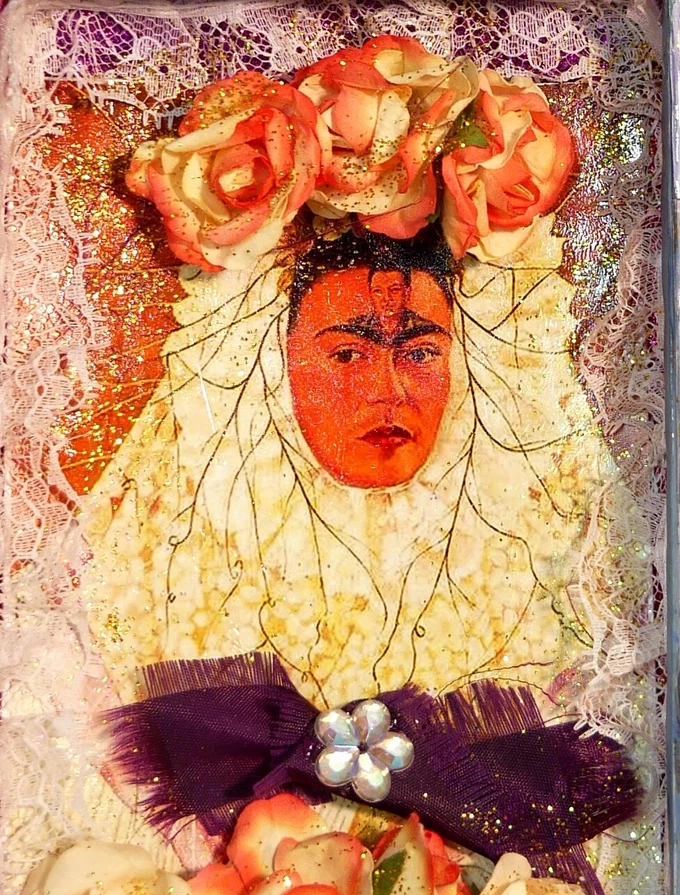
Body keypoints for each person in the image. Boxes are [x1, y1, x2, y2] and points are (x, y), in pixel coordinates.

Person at [83, 219, 645, 715]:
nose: (388, 390)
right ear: (280, 357)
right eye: (348, 354)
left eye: (420, 353)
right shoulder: (166, 561)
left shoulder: (543, 570)